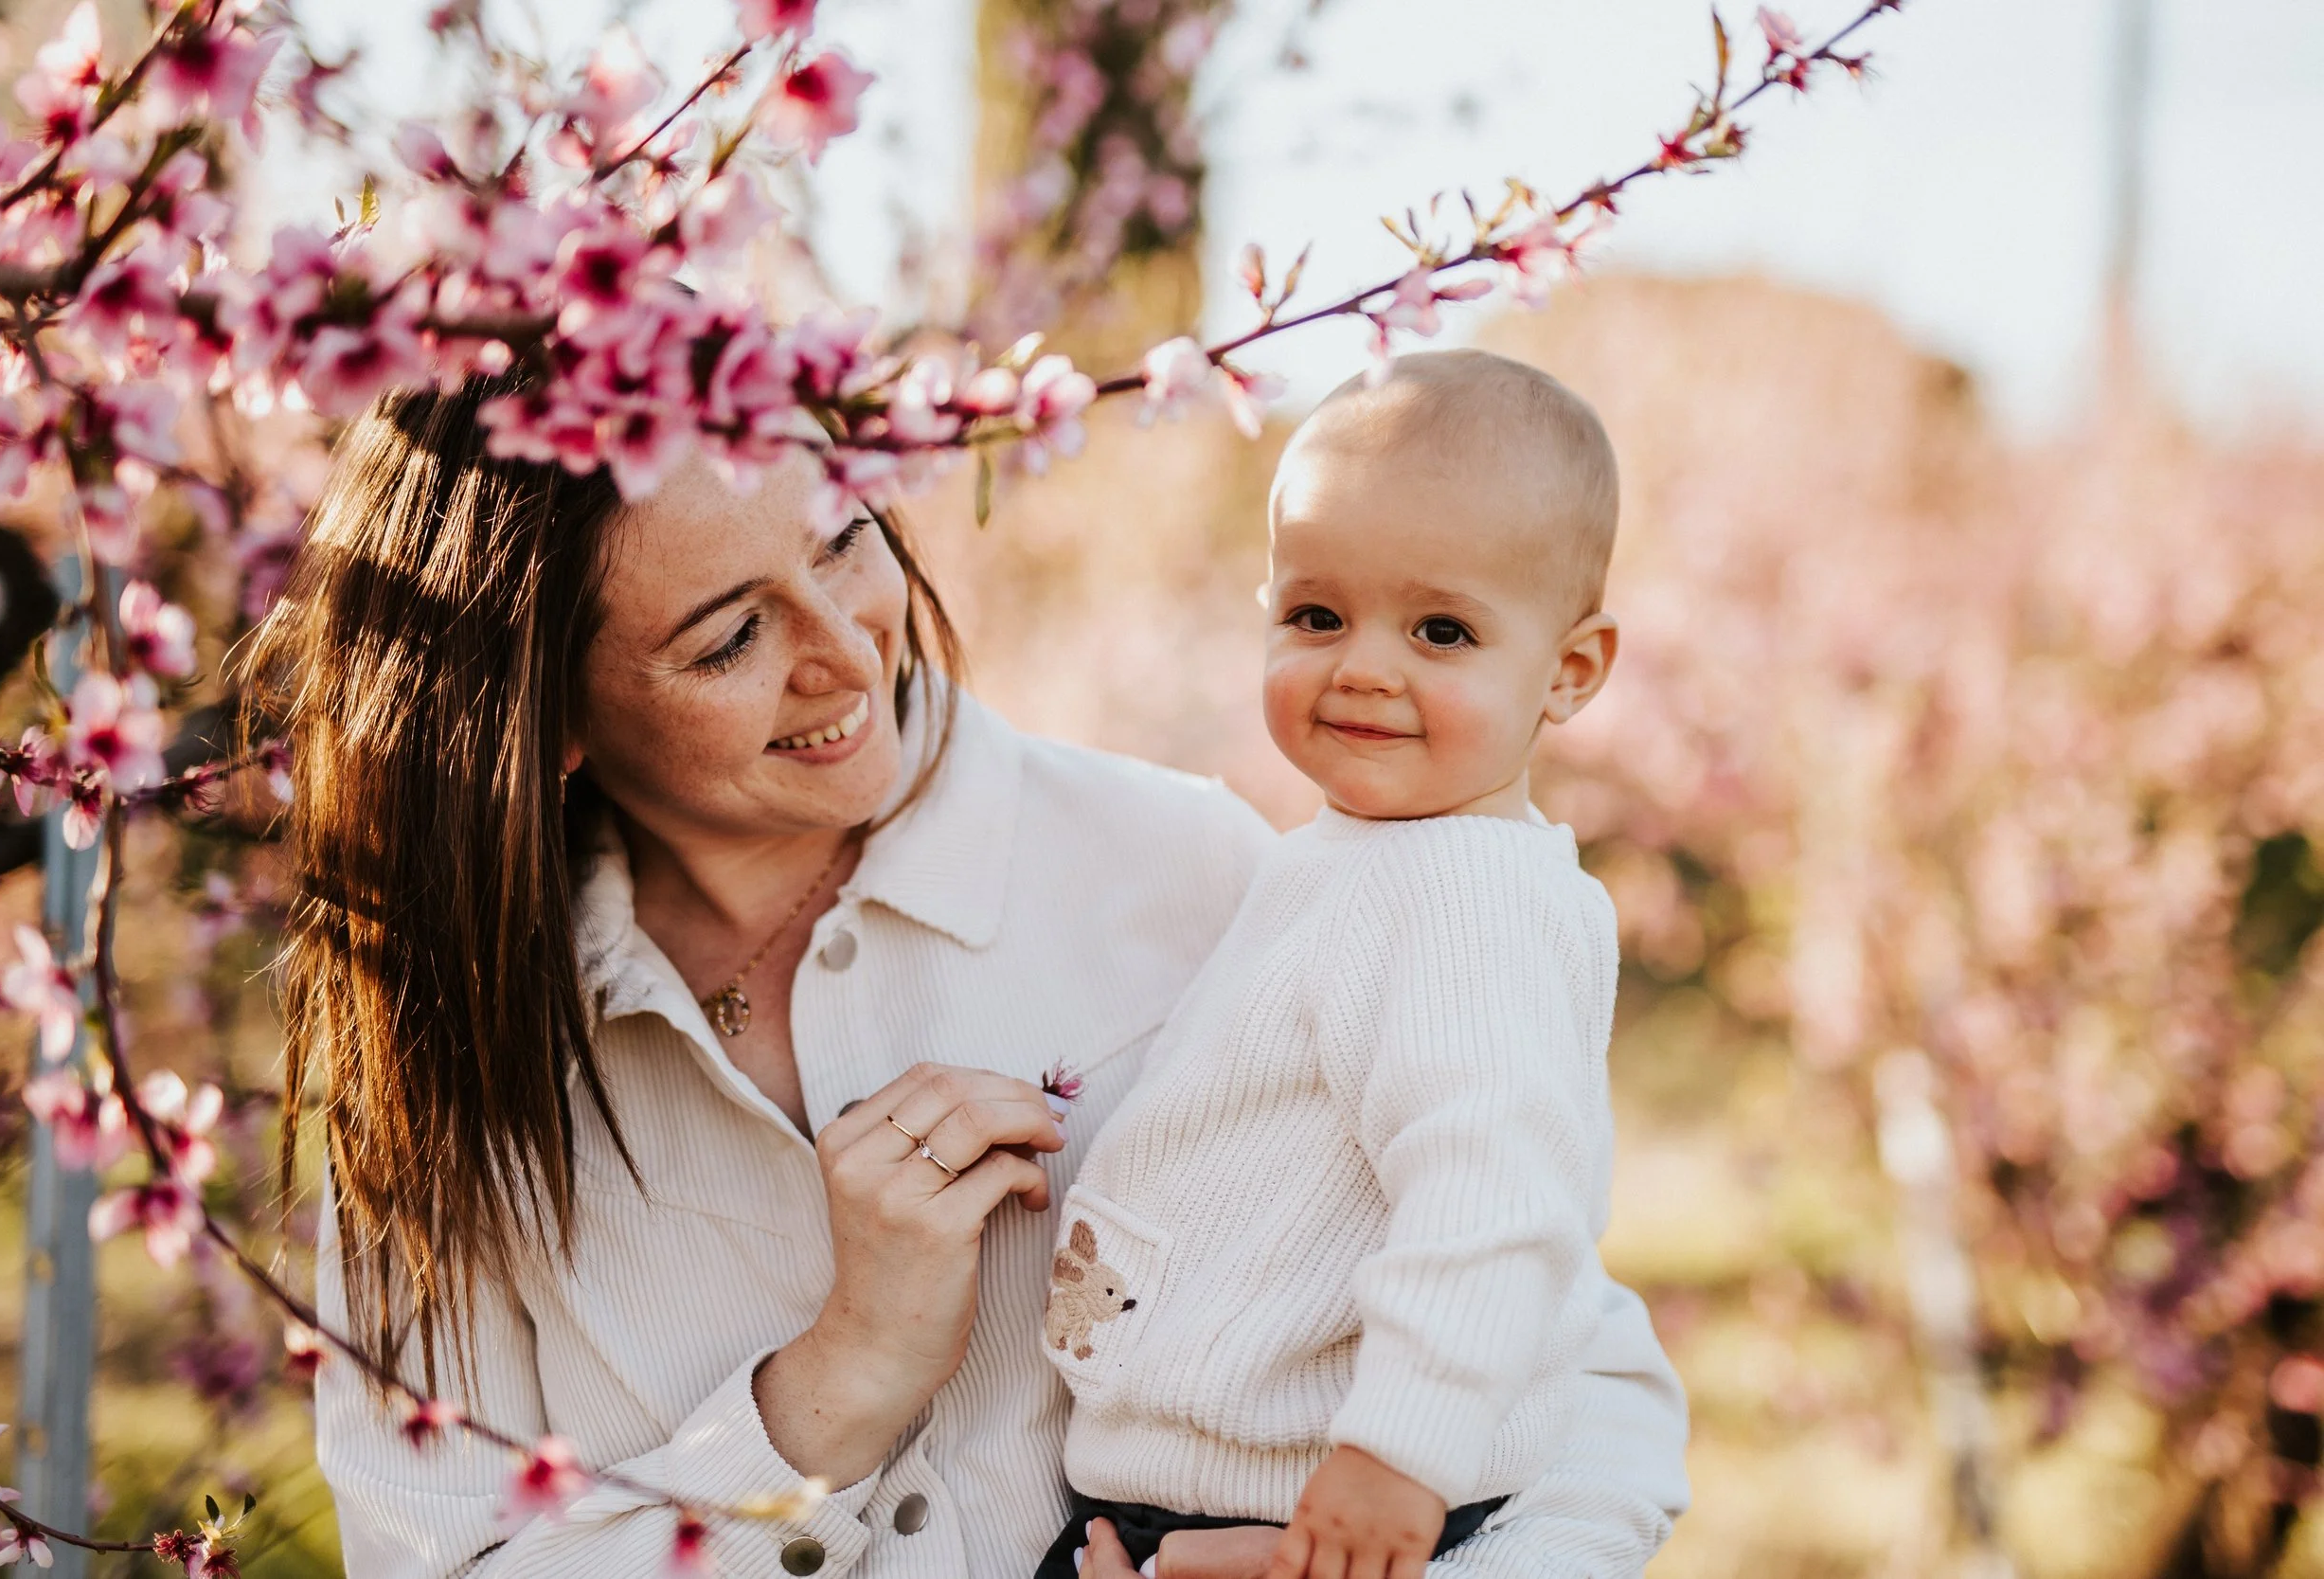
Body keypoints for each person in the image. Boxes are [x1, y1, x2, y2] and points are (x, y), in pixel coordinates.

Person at [261, 368, 1688, 1579]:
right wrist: (825, 1395)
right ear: (543, 718)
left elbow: (1575, 1372)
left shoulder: (1185, 868)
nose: (844, 651)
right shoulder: (438, 1077)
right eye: (732, 637)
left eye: (842, 541)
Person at [1038, 350, 1672, 1579]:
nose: (1365, 665)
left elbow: (1496, 1193)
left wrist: (1401, 1448)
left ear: (1572, 670)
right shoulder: (1366, 860)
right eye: (1317, 615)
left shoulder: (1460, 897)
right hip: (1225, 1499)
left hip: (1326, 1507)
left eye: (1443, 629)